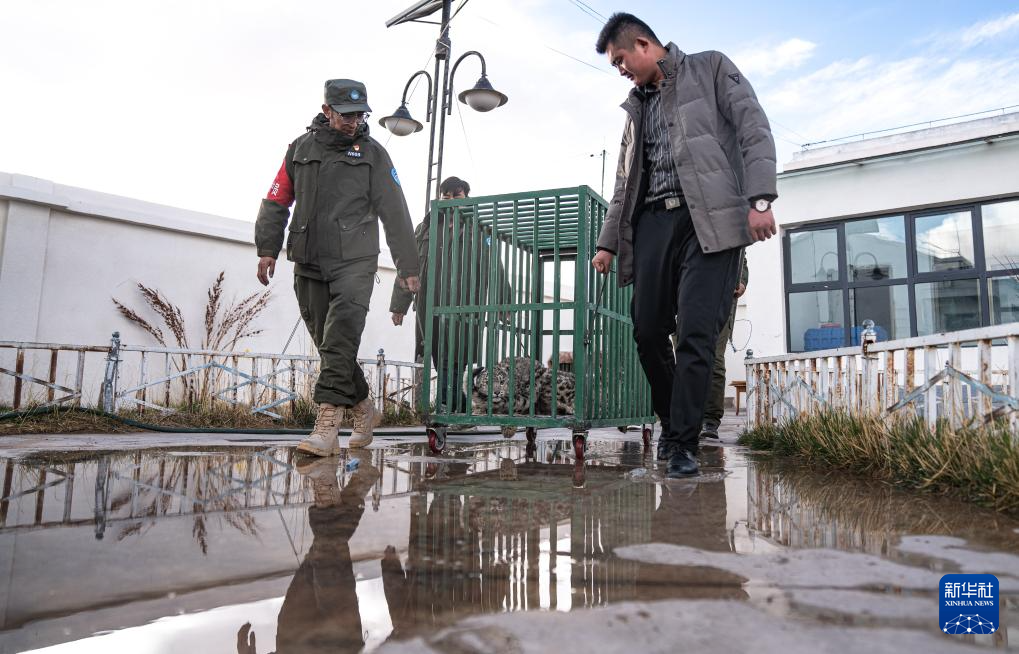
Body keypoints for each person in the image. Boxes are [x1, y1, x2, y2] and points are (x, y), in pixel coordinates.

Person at [590, 14, 777, 477]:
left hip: (709, 220)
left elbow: (753, 127)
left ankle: (682, 444)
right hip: (654, 224)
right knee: (647, 330)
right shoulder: (635, 111)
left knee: (695, 332)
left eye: (620, 60)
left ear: (642, 43)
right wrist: (608, 243)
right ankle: (674, 424)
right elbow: (623, 184)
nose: (620, 70)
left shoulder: (710, 68)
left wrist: (760, 199)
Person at [255, 79, 420, 456]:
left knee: (340, 338)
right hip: (308, 261)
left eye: (359, 114)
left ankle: (326, 424)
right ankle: (363, 408)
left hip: (356, 262)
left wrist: (407, 265)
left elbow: (395, 211)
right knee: (331, 347)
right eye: (346, 114)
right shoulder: (299, 149)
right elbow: (277, 198)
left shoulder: (374, 155)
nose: (353, 121)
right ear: (327, 110)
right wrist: (267, 247)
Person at [390, 177, 509, 419]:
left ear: (467, 198)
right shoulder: (425, 228)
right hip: (430, 304)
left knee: (459, 356)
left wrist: (503, 304)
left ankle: (453, 408)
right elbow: (409, 266)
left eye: (457, 195)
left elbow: (494, 267)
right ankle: (451, 409)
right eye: (446, 196)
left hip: (465, 304)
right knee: (437, 354)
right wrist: (399, 305)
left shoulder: (480, 229)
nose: (450, 200)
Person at [700, 252, 748, 440]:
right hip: (684, 302)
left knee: (714, 361)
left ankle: (710, 421)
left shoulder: (729, 235)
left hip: (720, 303)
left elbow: (741, 257)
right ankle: (684, 419)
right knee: (686, 362)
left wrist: (742, 281)